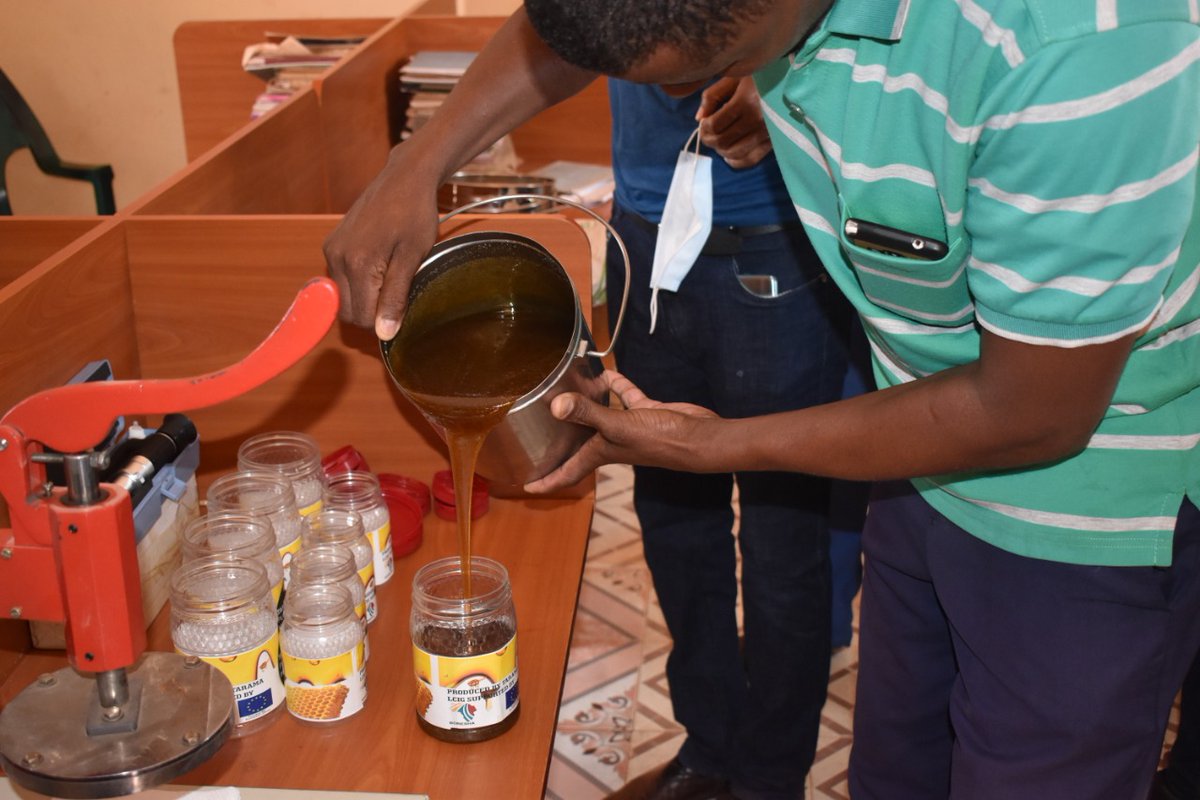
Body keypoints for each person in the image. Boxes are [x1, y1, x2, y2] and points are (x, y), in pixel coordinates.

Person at [325, 2, 1199, 799]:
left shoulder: (1083, 42)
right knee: (896, 767)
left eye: (703, 63)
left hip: (1084, 517)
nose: (678, 96)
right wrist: (418, 162)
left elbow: (1033, 410)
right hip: (926, 459)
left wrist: (717, 445)